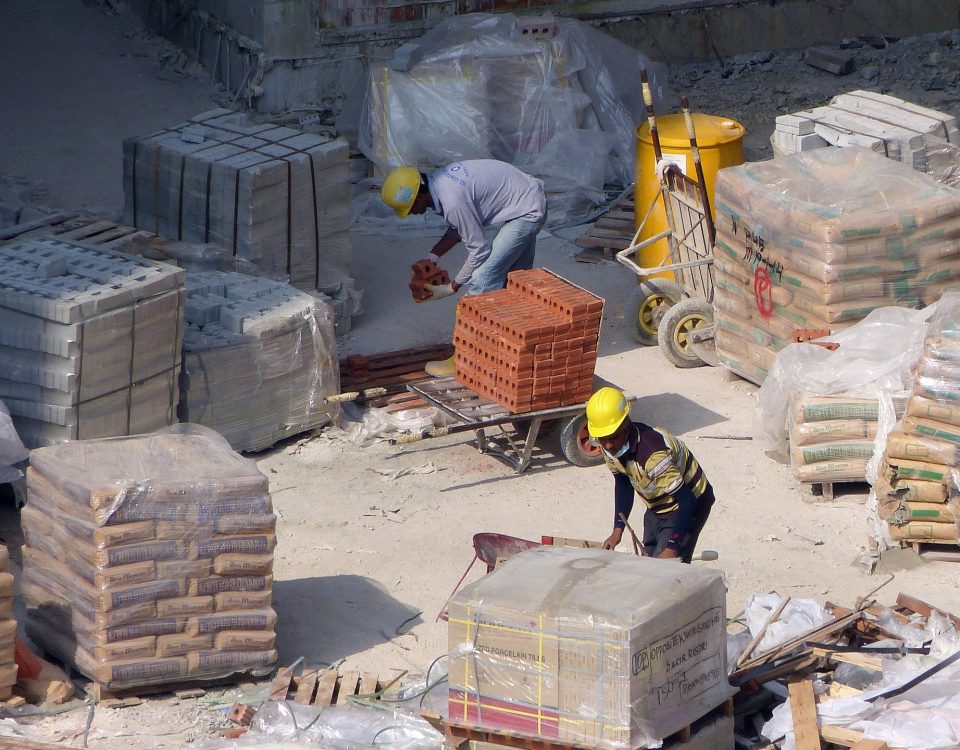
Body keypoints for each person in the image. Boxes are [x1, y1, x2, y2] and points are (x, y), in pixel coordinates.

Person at [381, 160, 547, 376]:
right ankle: (515, 350)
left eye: (410, 208)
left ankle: (464, 359)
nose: (411, 213)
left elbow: (479, 250)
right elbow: (458, 228)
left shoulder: (452, 202)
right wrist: (433, 256)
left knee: (482, 282)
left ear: (419, 197)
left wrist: (452, 286)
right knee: (515, 283)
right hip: (527, 198)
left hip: (526, 212)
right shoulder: (440, 184)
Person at [585, 387, 715, 563]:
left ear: (626, 425)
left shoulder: (653, 456)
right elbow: (623, 483)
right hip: (657, 505)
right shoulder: (610, 448)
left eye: (613, 437)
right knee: (649, 561)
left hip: (688, 504)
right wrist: (618, 529)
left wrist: (672, 548)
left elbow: (688, 501)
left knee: (667, 571)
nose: (608, 445)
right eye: (602, 439)